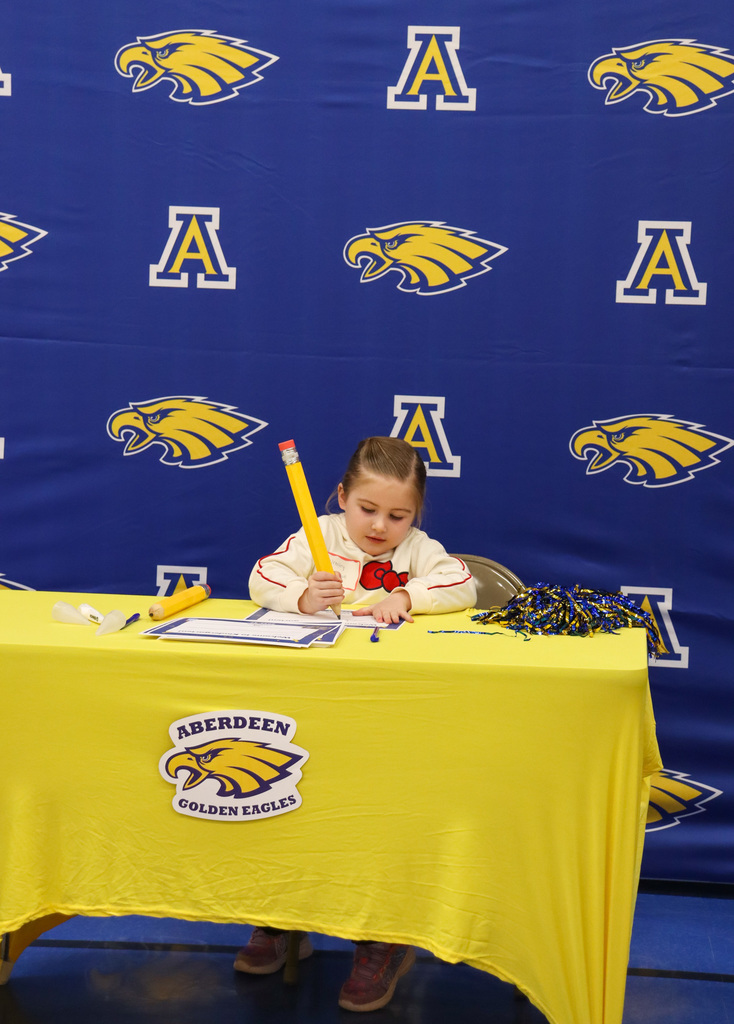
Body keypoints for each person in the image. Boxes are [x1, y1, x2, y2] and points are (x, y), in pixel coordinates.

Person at [237, 436, 476, 1012]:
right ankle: (286, 915)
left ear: (415, 516)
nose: (379, 526)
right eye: (367, 509)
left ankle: (382, 937)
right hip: (313, 708)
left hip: (387, 721)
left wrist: (406, 597)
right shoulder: (314, 537)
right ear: (341, 497)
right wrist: (300, 596)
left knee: (374, 814)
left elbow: (462, 582)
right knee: (297, 806)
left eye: (398, 515)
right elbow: (261, 578)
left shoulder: (417, 549)